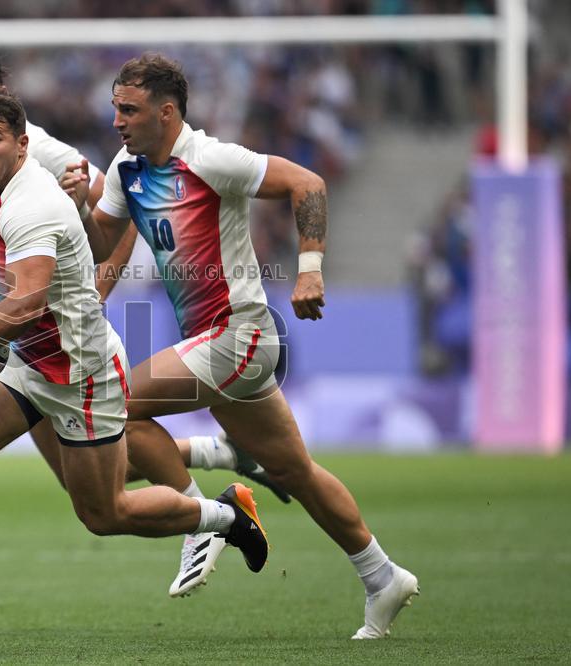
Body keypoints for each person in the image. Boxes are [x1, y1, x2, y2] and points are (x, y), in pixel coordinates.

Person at [0, 48, 290, 625]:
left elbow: (27, 301)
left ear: (22, 143)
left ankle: (224, 516)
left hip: (79, 372)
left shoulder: (33, 201)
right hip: (32, 367)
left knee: (106, 512)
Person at [63, 54, 419, 640]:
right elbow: (104, 239)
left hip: (238, 336)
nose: (118, 121)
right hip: (215, 348)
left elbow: (308, 183)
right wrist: (82, 201)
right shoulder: (126, 166)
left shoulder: (211, 159)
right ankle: (383, 576)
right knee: (294, 471)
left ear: (167, 111)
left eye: (129, 110)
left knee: (119, 407)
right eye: (115, 109)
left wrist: (309, 269)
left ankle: (202, 517)